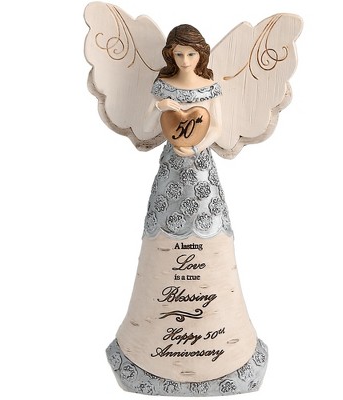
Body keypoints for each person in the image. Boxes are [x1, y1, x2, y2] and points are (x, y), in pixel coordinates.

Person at [106, 24, 268, 396]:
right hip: (170, 173)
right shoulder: (163, 86)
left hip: (200, 171)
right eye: (178, 54)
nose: (184, 60)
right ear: (170, 54)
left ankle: (225, 346)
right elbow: (150, 125)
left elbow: (217, 126)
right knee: (163, 232)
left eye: (191, 54)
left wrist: (195, 148)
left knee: (210, 229)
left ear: (201, 55)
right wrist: (162, 108)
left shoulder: (209, 86)